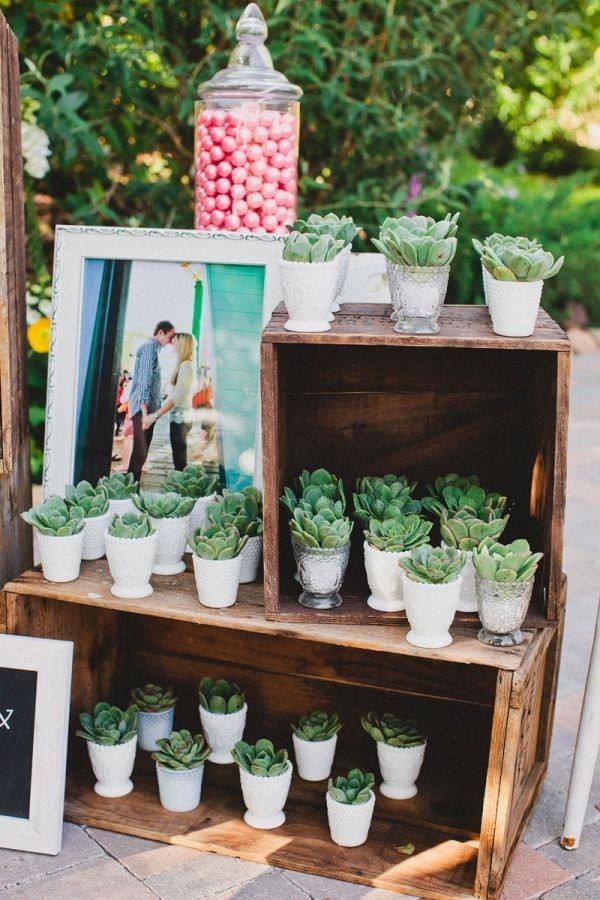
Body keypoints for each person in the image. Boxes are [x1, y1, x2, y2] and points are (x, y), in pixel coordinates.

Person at [127, 320, 175, 481]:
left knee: (141, 450)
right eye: (170, 336)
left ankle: (132, 486)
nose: (171, 341)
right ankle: (131, 488)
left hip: (145, 408)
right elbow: (145, 380)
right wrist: (145, 412)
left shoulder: (152, 349)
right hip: (144, 409)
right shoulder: (149, 348)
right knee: (140, 451)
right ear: (160, 333)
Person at [145, 332, 196, 470]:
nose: (172, 343)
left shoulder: (186, 365)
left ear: (183, 344)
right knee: (178, 457)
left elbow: (177, 396)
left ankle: (181, 488)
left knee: (179, 461)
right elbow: (174, 394)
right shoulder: (184, 365)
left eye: (175, 341)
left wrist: (156, 415)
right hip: (179, 418)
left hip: (181, 419)